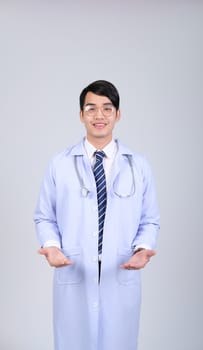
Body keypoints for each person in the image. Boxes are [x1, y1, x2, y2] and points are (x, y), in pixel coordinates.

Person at [34, 80, 160, 350]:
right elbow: (44, 216)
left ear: (118, 114)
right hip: (74, 269)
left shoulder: (139, 165)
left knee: (119, 343)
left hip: (121, 269)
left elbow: (149, 219)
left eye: (107, 108)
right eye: (91, 109)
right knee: (73, 343)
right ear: (81, 115)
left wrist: (143, 248)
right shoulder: (59, 164)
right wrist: (52, 247)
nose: (99, 116)